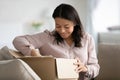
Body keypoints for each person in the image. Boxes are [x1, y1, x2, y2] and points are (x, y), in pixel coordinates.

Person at [13, 3, 100, 80]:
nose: (62, 30)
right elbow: (18, 40)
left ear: (75, 23)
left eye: (66, 27)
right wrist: (32, 52)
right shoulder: (47, 37)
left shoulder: (87, 39)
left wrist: (85, 68)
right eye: (58, 26)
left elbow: (95, 67)